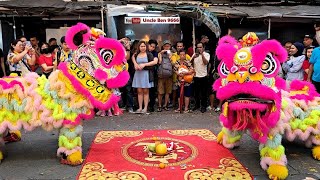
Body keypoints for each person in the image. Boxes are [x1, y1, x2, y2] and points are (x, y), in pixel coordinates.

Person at [132, 41, 158, 114]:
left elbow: (154, 62)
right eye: (141, 46)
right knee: (139, 91)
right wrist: (135, 64)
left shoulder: (149, 54)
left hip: (146, 74)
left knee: (146, 91)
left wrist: (144, 65)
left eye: (144, 46)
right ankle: (140, 107)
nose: (143, 48)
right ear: (138, 47)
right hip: (138, 74)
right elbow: (133, 57)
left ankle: (145, 107)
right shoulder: (136, 54)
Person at [191, 42, 210, 113]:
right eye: (198, 47)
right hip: (196, 76)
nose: (199, 49)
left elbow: (206, 63)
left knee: (203, 93)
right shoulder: (194, 54)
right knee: (196, 92)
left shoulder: (206, 54)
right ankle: (197, 105)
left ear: (203, 48)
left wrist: (202, 54)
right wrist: (193, 58)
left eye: (200, 47)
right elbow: (190, 64)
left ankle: (203, 106)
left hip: (203, 76)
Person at [157, 40, 173, 112]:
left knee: (168, 92)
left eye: (168, 46)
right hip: (161, 75)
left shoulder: (172, 53)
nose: (167, 47)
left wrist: (170, 56)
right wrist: (160, 53)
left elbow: (173, 62)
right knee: (160, 92)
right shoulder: (160, 53)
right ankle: (159, 105)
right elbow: (159, 62)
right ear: (163, 47)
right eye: (165, 46)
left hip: (169, 75)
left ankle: (165, 105)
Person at [147, 39, 159, 112]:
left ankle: (151, 105)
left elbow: (155, 62)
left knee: (152, 90)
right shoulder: (143, 51)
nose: (151, 48)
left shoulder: (155, 53)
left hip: (152, 73)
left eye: (153, 47)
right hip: (143, 73)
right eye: (151, 46)